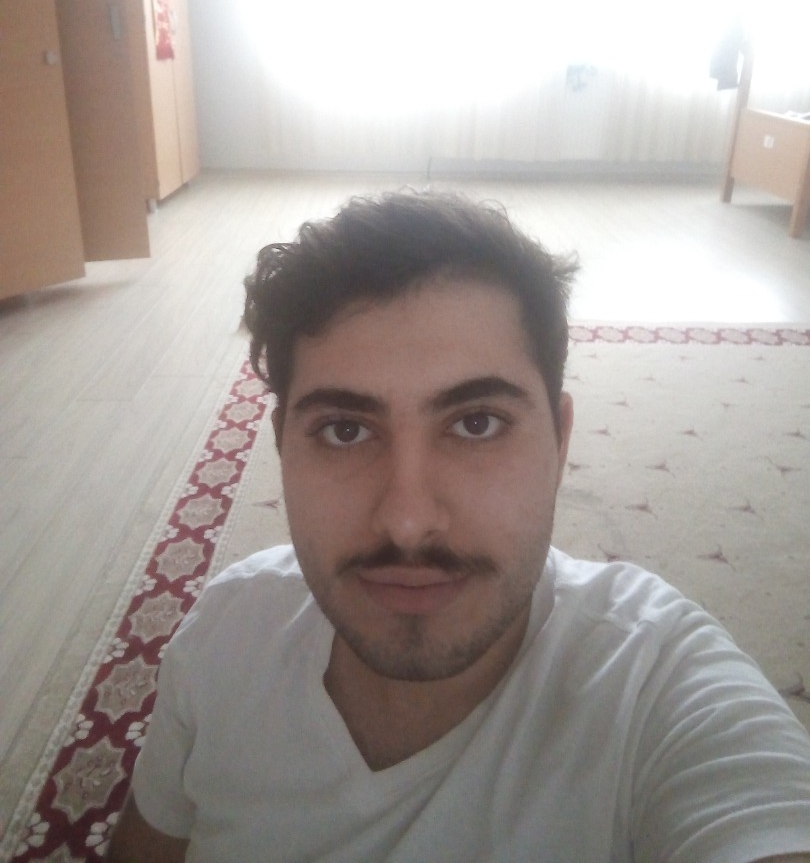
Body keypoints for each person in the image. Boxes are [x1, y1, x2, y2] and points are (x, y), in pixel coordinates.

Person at [107, 192, 810, 862]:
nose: (408, 520)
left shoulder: (657, 686)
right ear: (282, 447)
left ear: (559, 442)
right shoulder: (225, 633)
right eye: (346, 430)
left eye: (477, 424)